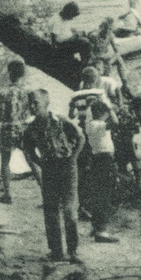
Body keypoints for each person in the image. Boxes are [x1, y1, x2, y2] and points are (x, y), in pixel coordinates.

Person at [21, 88, 86, 263]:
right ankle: (56, 251)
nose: (33, 106)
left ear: (46, 103)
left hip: (67, 168)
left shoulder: (60, 121)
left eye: (36, 103)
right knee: (50, 210)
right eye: (30, 103)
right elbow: (28, 150)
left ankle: (73, 251)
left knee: (70, 210)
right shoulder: (31, 129)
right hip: (49, 169)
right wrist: (40, 163)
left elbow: (80, 137)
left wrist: (73, 158)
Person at [0, 59, 34, 203]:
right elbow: (32, 112)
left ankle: (7, 194)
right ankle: (46, 192)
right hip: (23, 127)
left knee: (5, 161)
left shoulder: (3, 92)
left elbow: (1, 115)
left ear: (10, 73)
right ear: (22, 74)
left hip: (7, 128)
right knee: (32, 160)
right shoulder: (28, 91)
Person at [83, 99, 120, 244]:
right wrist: (110, 109)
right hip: (105, 160)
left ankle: (96, 226)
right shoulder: (99, 125)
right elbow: (116, 122)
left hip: (97, 159)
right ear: (102, 113)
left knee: (98, 193)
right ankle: (102, 231)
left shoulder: (90, 124)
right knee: (105, 194)